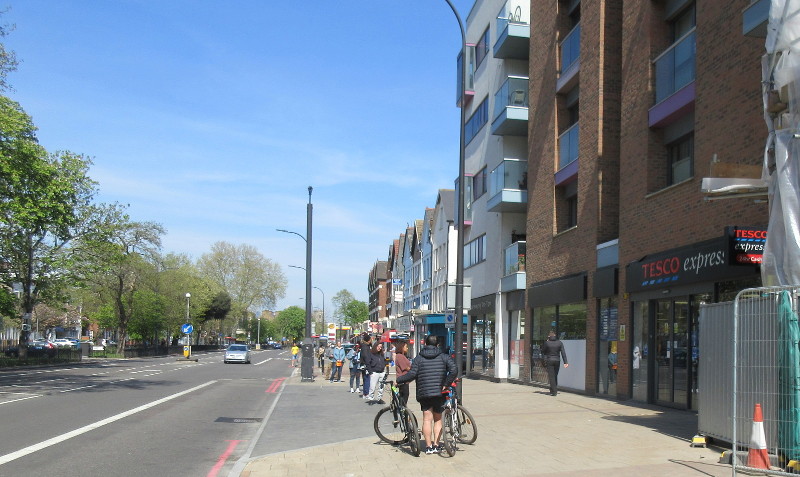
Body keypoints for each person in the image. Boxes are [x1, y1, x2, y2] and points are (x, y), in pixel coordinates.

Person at [397, 334, 457, 455]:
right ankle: (436, 445)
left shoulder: (418, 358)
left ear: (425, 344)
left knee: (427, 419)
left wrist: (399, 380)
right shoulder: (444, 357)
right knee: (438, 419)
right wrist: (446, 383)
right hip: (439, 392)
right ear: (437, 344)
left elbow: (412, 374)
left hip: (424, 392)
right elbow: (454, 370)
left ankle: (428, 447)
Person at [541, 330, 568, 396]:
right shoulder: (560, 343)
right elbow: (563, 353)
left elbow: (542, 351)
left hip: (549, 360)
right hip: (557, 361)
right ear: (555, 336)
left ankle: (554, 391)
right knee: (555, 375)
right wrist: (565, 362)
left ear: (549, 336)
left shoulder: (547, 343)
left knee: (551, 376)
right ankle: (552, 389)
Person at [394, 340, 412, 407]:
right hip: (403, 380)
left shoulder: (402, 356)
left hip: (405, 380)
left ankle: (403, 411)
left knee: (404, 397)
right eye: (406, 347)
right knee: (404, 397)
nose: (407, 348)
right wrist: (413, 370)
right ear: (401, 347)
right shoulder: (399, 356)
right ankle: (403, 412)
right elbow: (405, 367)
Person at [360, 333, 374, 399]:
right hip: (366, 365)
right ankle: (366, 393)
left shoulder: (366, 346)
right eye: (370, 339)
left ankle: (365, 393)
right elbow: (366, 357)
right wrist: (369, 366)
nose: (371, 340)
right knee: (367, 379)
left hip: (364, 365)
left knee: (366, 379)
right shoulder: (365, 347)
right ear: (368, 340)